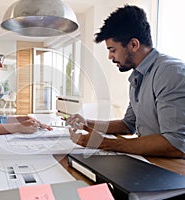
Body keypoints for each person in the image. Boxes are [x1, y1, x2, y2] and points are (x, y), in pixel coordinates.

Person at [66, 5, 185, 158]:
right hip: (149, 161)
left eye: (113, 50)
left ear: (134, 45)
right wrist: (87, 123)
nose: (110, 56)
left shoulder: (169, 73)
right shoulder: (138, 76)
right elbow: (128, 125)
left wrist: (102, 143)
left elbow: (176, 144)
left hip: (173, 169)